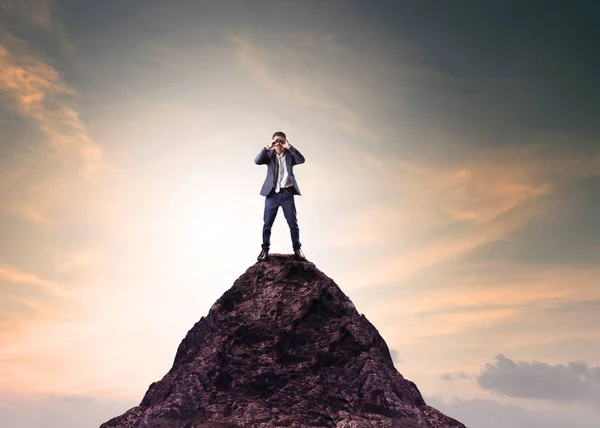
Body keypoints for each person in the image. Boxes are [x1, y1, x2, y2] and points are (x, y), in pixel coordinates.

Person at [254, 131, 306, 261]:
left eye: (281, 141)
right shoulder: (269, 155)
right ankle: (264, 250)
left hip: (287, 194)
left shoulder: (290, 155)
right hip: (272, 194)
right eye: (277, 140)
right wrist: (267, 147)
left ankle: (297, 249)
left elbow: (301, 160)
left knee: (293, 224)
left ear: (285, 142)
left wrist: (289, 147)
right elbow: (257, 161)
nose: (279, 143)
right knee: (267, 224)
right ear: (273, 141)